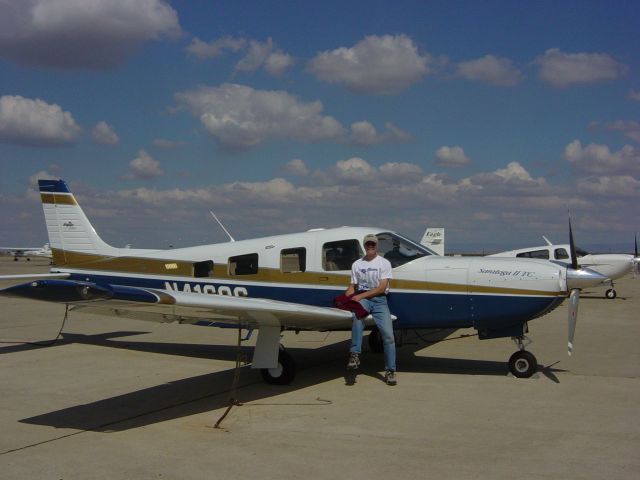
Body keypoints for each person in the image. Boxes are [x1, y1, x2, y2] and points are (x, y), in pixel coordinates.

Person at [345, 234, 397, 385]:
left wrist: (360, 297)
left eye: (372, 244)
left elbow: (381, 288)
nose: (370, 246)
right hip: (364, 299)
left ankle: (390, 370)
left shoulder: (384, 263)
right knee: (357, 318)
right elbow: (352, 287)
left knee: (388, 336)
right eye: (368, 244)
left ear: (376, 246)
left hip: (380, 301)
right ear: (364, 246)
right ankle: (354, 354)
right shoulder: (356, 264)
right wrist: (344, 298)